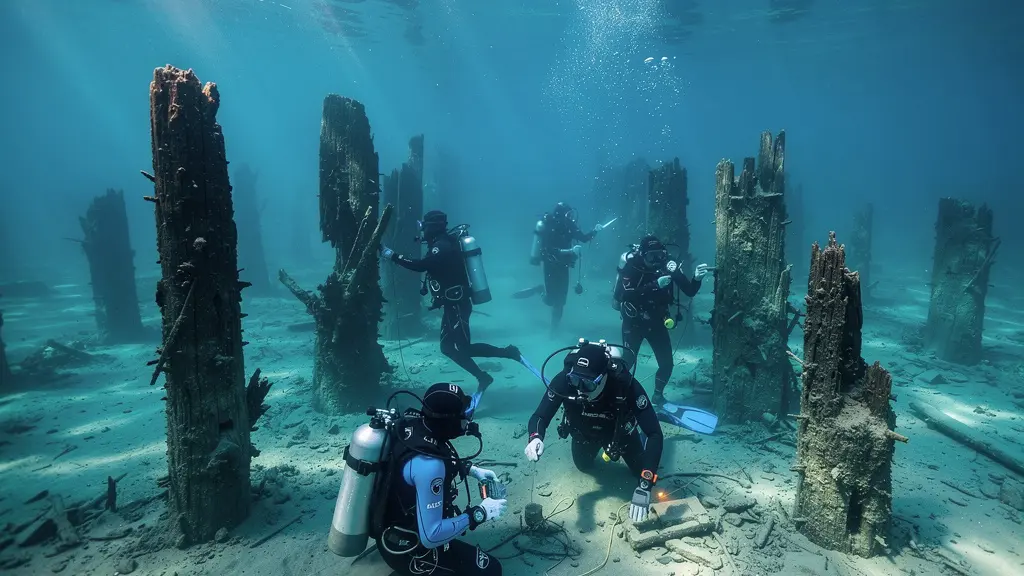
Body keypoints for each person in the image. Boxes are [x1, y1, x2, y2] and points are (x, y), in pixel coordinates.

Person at [523, 341, 664, 523]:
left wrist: (645, 485)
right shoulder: (564, 381)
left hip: (620, 437)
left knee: (639, 470)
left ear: (604, 377)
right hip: (584, 436)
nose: (580, 389)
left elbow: (655, 433)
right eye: (575, 381)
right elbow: (540, 416)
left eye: (588, 384)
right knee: (583, 466)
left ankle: (645, 423)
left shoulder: (624, 385)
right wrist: (535, 437)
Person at [381, 210, 520, 395]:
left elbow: (420, 266)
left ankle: (507, 353)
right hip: (451, 305)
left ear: (432, 227)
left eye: (423, 226)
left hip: (458, 305)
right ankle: (483, 377)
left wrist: (392, 255)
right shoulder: (443, 244)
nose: (422, 231)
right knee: (447, 348)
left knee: (464, 348)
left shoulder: (442, 246)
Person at [375, 383, 507, 575]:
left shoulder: (415, 425)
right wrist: (479, 513)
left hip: (397, 527)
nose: (466, 418)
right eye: (462, 414)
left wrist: (471, 470)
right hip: (408, 548)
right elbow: (431, 535)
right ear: (447, 422)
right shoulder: (430, 465)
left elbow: (427, 458)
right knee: (491, 571)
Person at [615, 235, 708, 406]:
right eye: (652, 256)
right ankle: (615, 395)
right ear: (642, 255)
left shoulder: (668, 267)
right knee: (628, 361)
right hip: (634, 322)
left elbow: (690, 290)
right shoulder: (633, 267)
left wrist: (696, 278)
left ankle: (658, 396)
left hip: (657, 322)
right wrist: (655, 285)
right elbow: (623, 295)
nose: (657, 260)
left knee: (667, 363)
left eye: (660, 255)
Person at [513, 202, 605, 330]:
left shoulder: (569, 225)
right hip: (550, 265)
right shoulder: (549, 226)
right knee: (551, 300)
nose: (569, 217)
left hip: (563, 266)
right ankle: (540, 290)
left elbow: (583, 238)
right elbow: (547, 250)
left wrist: (595, 231)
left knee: (560, 301)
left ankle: (554, 331)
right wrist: (570, 251)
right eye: (568, 214)